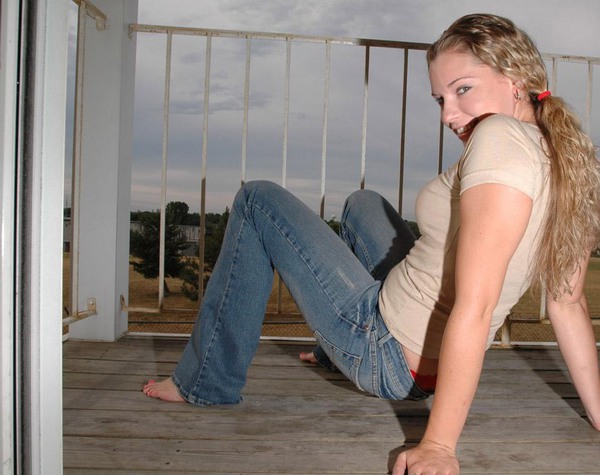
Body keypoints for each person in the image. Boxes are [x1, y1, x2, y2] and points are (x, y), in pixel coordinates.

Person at [143, 13, 600, 474]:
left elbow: (476, 307)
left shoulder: (497, 138)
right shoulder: (566, 157)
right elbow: (567, 303)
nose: (448, 115)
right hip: (426, 361)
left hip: (384, 350)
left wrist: (438, 445)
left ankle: (204, 382)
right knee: (364, 204)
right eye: (440, 99)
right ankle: (331, 352)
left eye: (463, 89)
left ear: (516, 80)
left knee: (256, 200)